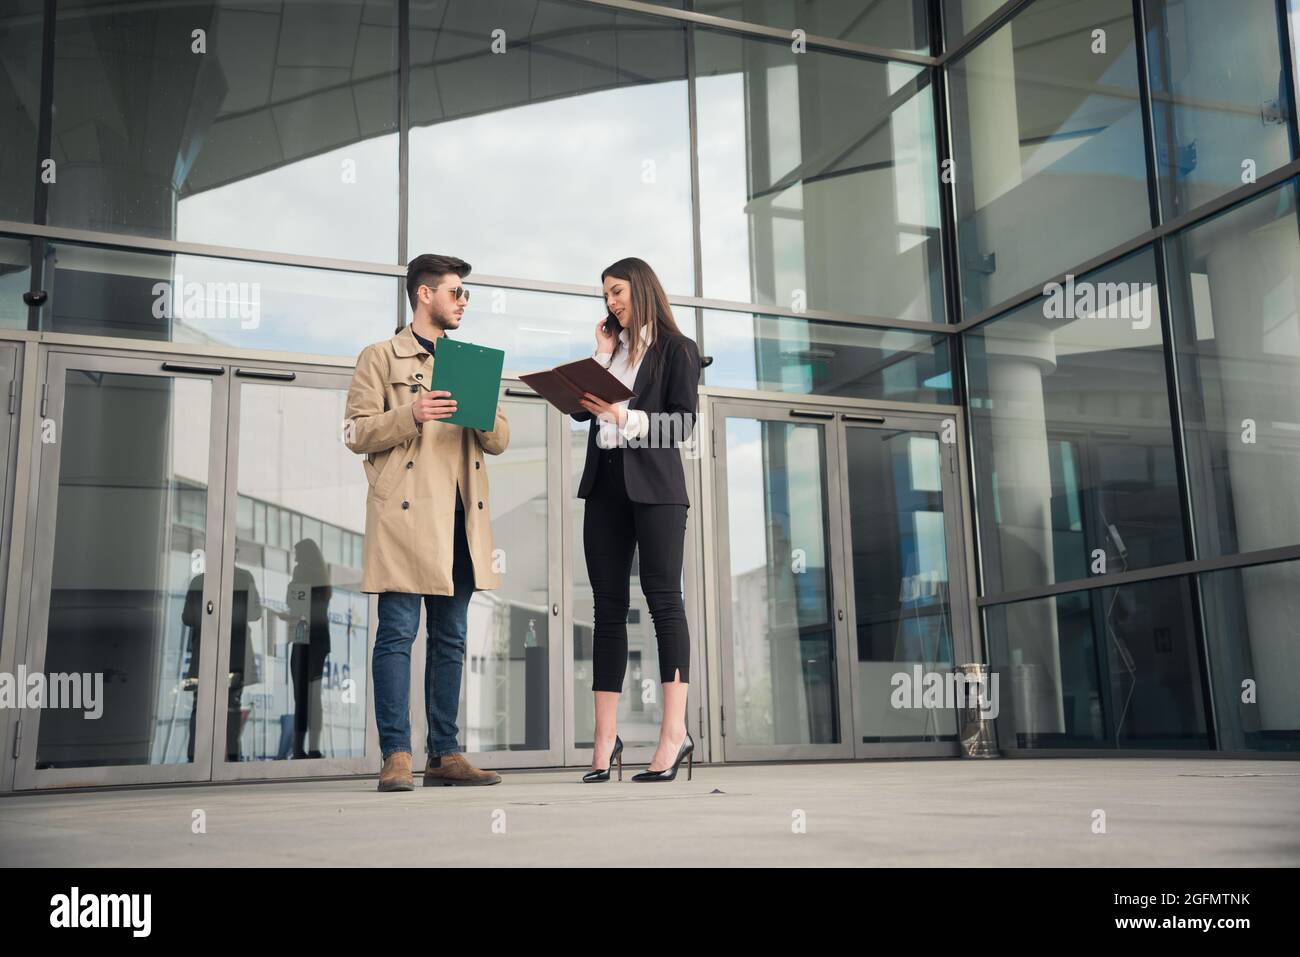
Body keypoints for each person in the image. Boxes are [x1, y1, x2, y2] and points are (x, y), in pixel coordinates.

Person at [343, 253, 510, 791]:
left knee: (451, 639)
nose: (463, 302)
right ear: (424, 294)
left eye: (465, 295)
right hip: (406, 515)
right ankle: (396, 754)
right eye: (456, 292)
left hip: (462, 518)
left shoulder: (471, 362)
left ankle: (445, 753)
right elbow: (354, 433)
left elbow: (501, 439)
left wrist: (482, 413)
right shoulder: (380, 356)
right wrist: (409, 415)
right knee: (396, 634)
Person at [572, 257, 701, 783]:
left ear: (642, 289)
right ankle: (607, 739)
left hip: (656, 490)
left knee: (664, 601)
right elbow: (584, 411)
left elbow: (682, 425)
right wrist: (602, 358)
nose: (611, 303)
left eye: (618, 291)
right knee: (607, 609)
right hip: (605, 487)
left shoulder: (677, 349)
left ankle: (675, 734)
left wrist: (626, 417)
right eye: (606, 295)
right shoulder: (613, 352)